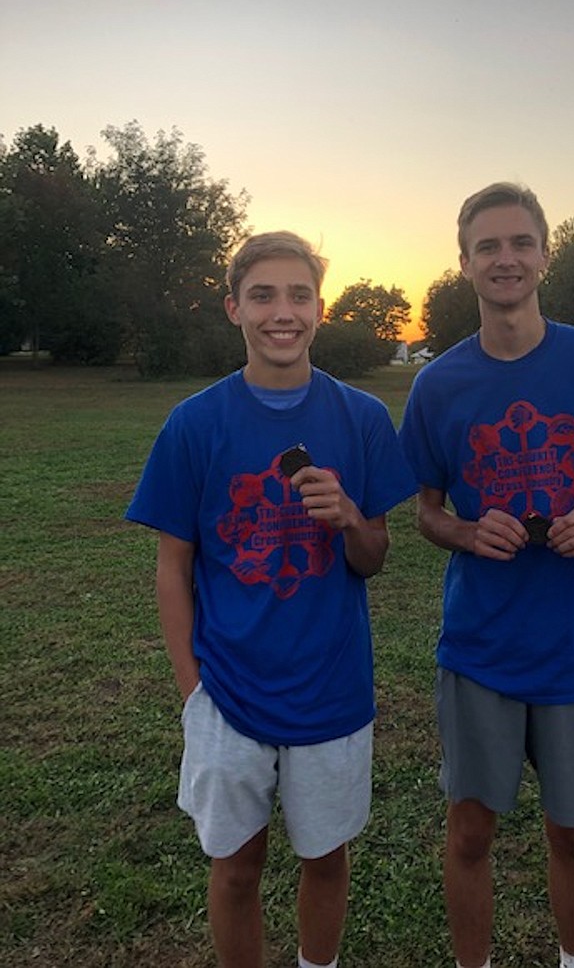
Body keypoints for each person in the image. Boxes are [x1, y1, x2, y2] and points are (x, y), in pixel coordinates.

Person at [126, 231, 417, 968]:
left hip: (332, 688)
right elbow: (173, 568)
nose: (281, 313)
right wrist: (195, 692)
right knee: (235, 868)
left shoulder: (361, 420)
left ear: (320, 308)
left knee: (325, 859)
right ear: (233, 308)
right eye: (262, 295)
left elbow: (374, 559)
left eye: (298, 295)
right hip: (227, 693)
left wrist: (351, 517)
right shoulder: (195, 424)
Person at [399, 183, 574, 968]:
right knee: (471, 830)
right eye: (488, 246)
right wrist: (468, 531)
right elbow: (425, 514)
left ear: (545, 254)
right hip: (481, 647)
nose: (505, 259)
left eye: (520, 243)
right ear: (466, 264)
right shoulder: (438, 384)